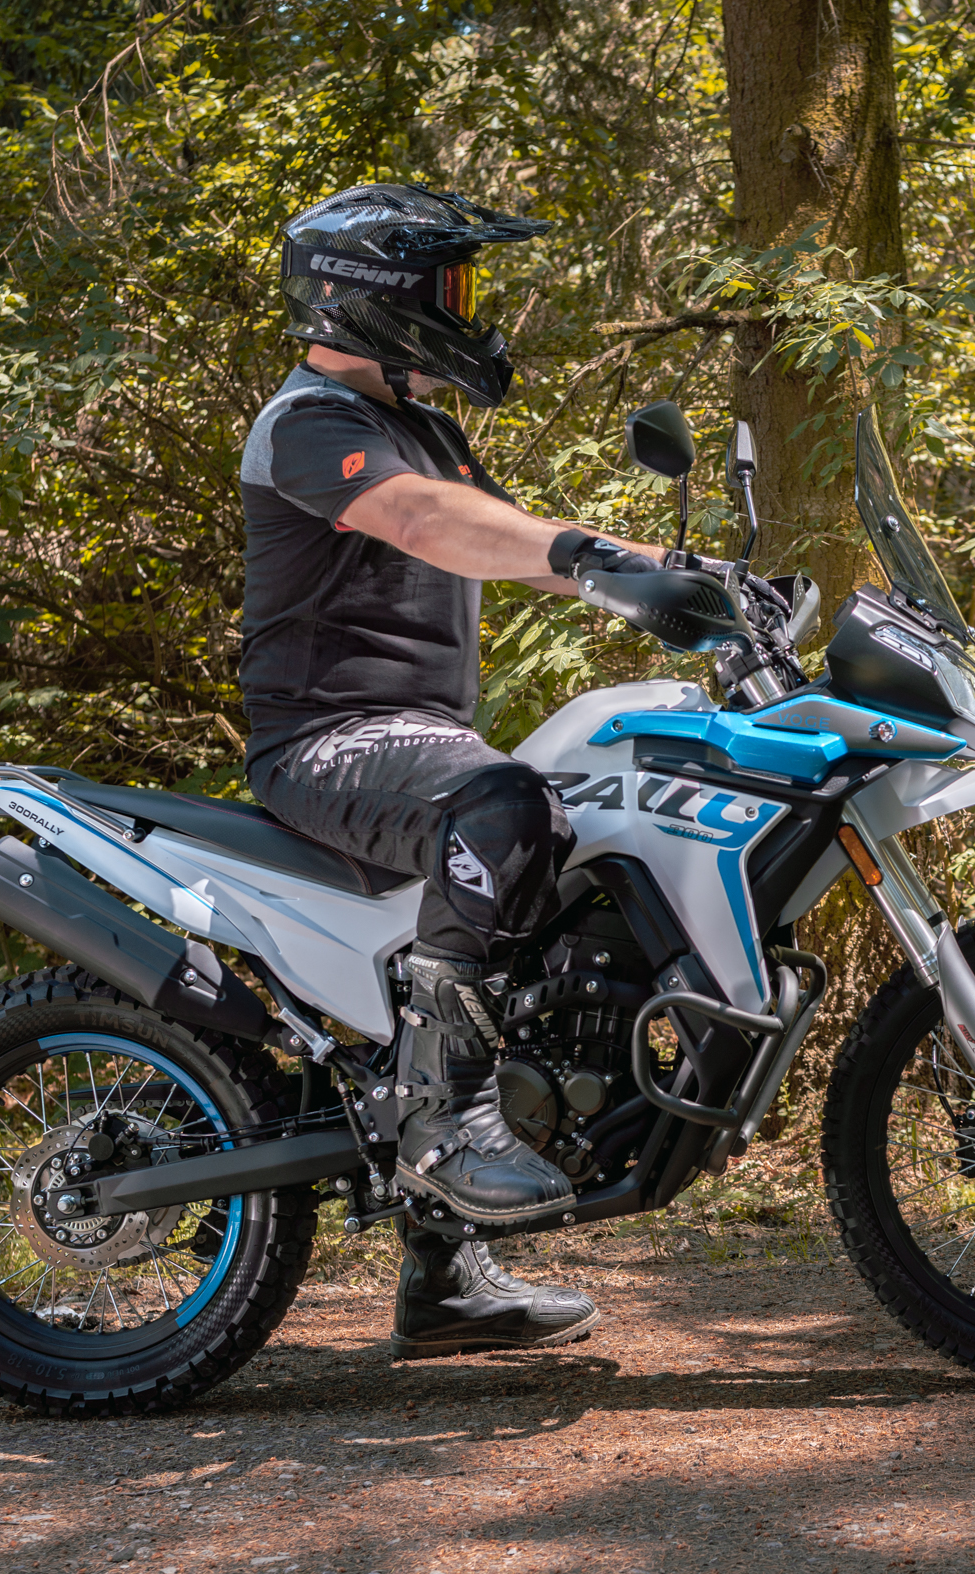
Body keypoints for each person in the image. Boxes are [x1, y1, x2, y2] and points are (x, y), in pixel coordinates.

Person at [238, 182, 692, 1361]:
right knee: (507, 803)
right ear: (373, 298)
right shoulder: (309, 421)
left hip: (413, 735)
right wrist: (592, 555)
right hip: (327, 741)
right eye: (450, 285)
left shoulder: (422, 428)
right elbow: (431, 526)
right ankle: (441, 1128)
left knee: (562, 878)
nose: (468, 307)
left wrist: (686, 577)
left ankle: (444, 1278)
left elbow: (521, 546)